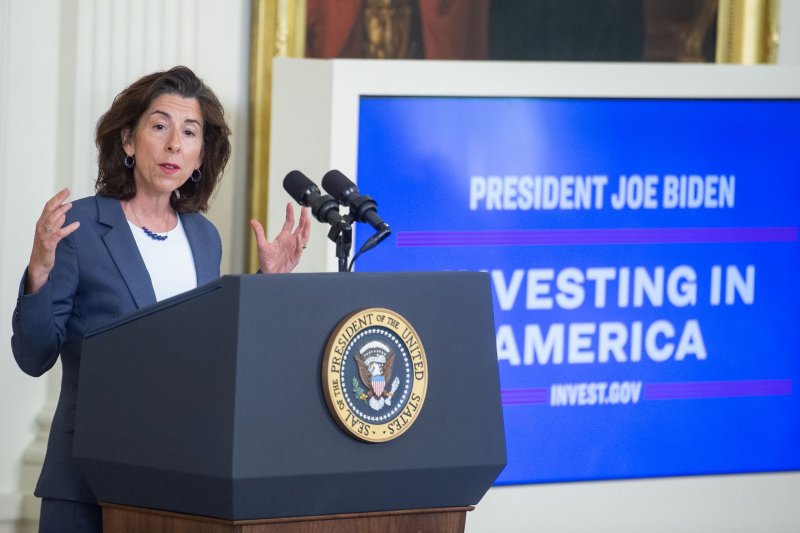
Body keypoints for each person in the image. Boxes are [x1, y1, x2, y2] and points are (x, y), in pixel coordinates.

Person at [10, 66, 310, 533]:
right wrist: (40, 271)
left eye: (190, 132)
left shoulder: (204, 237)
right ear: (128, 141)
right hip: (88, 482)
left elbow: (208, 348)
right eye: (160, 126)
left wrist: (264, 285)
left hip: (177, 479)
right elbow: (34, 356)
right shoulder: (81, 227)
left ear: (199, 157)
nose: (175, 144)